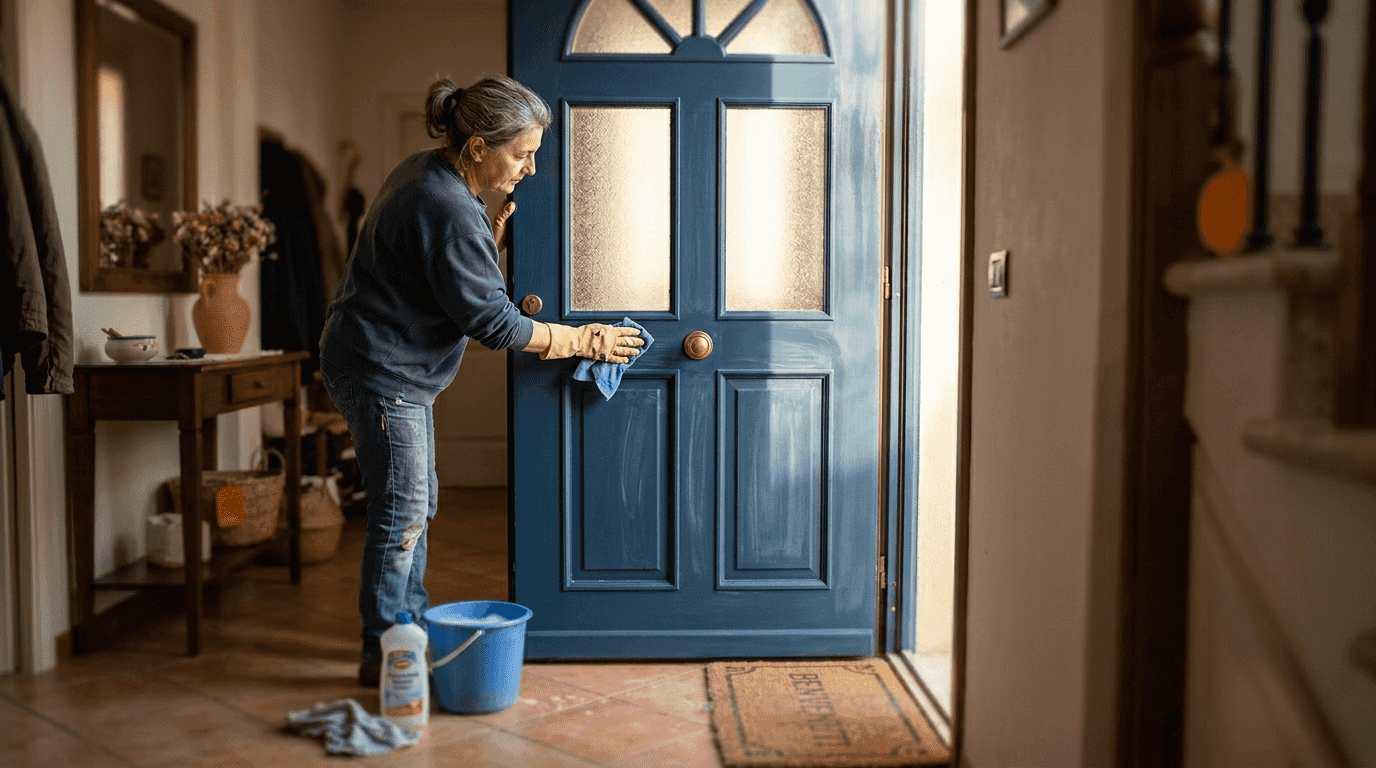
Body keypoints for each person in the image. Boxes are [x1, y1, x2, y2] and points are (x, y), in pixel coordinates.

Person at [318, 75, 643, 685]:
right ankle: (387, 652)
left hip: (380, 362)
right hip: (380, 369)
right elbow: (492, 324)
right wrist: (581, 339)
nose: (531, 168)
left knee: (415, 501)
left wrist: (481, 247)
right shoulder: (443, 203)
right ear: (476, 148)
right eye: (521, 154)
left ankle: (402, 630)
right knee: (402, 509)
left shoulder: (431, 175)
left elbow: (440, 275)